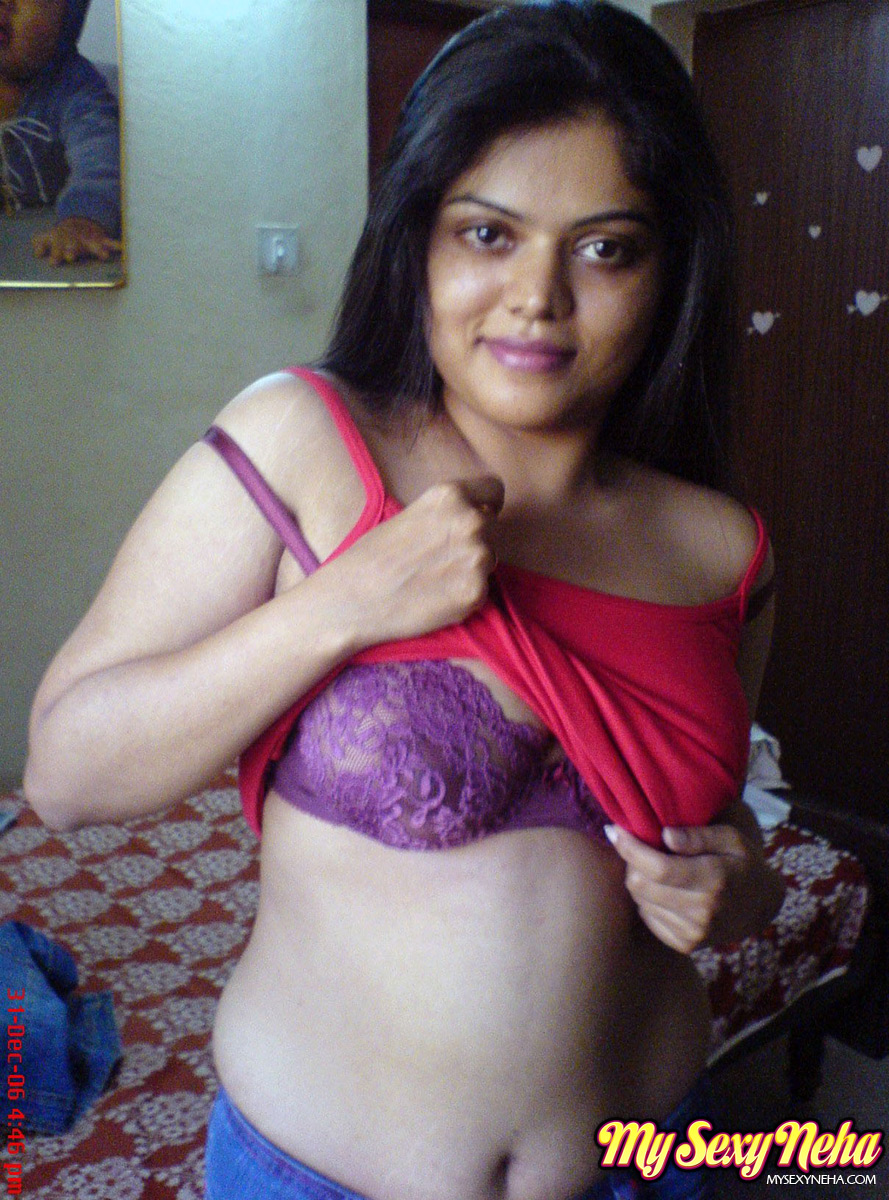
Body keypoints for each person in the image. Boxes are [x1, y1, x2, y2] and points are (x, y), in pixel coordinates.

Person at [24, 2, 784, 1197]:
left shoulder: (722, 548)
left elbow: (721, 830)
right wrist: (343, 606)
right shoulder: (301, 442)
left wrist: (743, 889)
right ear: (417, 240)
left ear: (670, 269)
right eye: (488, 234)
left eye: (604, 249)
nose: (537, 296)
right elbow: (66, 774)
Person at [0, 0, 121, 264]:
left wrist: (83, 218)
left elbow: (102, 159)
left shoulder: (78, 91)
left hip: (43, 245)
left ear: (68, 23)